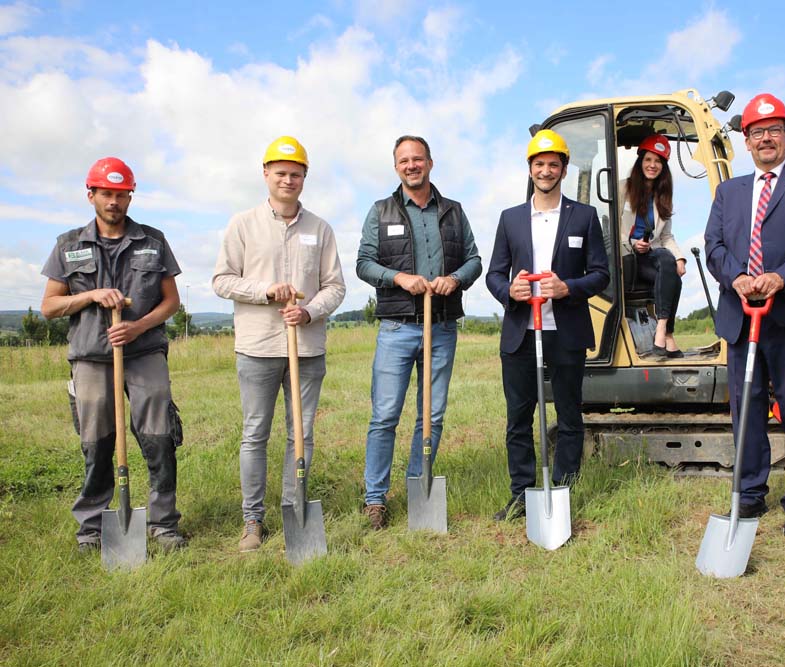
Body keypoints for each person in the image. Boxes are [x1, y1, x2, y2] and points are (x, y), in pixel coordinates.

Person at [703, 93, 785, 536]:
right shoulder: (729, 191)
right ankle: (752, 495)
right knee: (747, 408)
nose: (765, 139)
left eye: (773, 131)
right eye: (757, 133)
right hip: (742, 315)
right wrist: (737, 278)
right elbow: (714, 247)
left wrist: (780, 278)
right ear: (746, 142)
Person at [40, 157, 186, 553]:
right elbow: (49, 306)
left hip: (144, 352)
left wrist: (138, 326)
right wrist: (89, 295)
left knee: (158, 437)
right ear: (91, 194)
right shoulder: (68, 245)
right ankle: (92, 526)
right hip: (90, 356)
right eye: (106, 193)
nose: (114, 201)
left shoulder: (152, 241)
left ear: (129, 197)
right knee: (97, 441)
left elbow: (171, 302)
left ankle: (163, 523)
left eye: (122, 194)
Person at [213, 136, 346, 551]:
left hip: (306, 348)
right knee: (255, 433)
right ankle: (252, 520)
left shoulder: (320, 229)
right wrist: (266, 292)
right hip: (257, 347)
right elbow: (221, 281)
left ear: (305, 177)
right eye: (281, 172)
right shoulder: (243, 224)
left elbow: (335, 287)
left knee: (300, 434)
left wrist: (308, 312)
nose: (288, 179)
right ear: (266, 174)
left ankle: (294, 509)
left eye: (296, 173)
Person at [356, 135, 482, 530]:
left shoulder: (454, 212)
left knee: (432, 414)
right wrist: (399, 278)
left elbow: (475, 260)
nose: (411, 165)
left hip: (441, 327)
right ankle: (375, 499)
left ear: (430, 162)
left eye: (418, 159)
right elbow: (363, 264)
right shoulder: (381, 212)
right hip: (396, 328)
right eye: (404, 160)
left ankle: (417, 487)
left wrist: (455, 280)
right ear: (396, 167)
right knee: (385, 415)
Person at [485, 129, 610, 520]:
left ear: (564, 168)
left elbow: (601, 275)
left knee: (569, 416)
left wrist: (566, 287)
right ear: (530, 169)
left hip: (566, 332)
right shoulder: (510, 219)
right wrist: (511, 291)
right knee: (518, 418)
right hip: (522, 332)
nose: (546, 170)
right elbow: (493, 274)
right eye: (539, 164)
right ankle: (522, 494)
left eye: (553, 164)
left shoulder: (584, 217)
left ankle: (563, 490)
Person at [619, 134, 686, 357]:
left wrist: (680, 257)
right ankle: (667, 335)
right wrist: (631, 242)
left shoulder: (663, 197)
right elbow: (609, 226)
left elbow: (666, 236)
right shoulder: (622, 189)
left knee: (671, 264)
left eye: (658, 161)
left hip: (651, 255)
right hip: (627, 256)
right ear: (640, 162)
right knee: (669, 268)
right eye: (648, 159)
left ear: (663, 167)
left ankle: (661, 330)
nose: (652, 165)